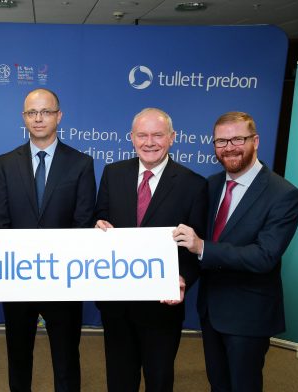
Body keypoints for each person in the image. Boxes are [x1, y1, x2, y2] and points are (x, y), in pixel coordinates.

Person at [173, 111, 298, 392]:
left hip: (249, 315)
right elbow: (191, 240)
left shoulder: (284, 194)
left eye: (237, 139)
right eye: (221, 141)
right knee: (218, 384)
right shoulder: (211, 185)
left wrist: (203, 247)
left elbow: (264, 256)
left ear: (255, 141)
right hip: (211, 310)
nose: (229, 147)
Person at [94, 108, 207, 392]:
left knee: (159, 381)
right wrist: (96, 227)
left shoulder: (193, 184)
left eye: (158, 135)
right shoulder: (113, 173)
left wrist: (183, 279)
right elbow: (98, 221)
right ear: (131, 138)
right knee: (119, 380)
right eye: (142, 135)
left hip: (161, 307)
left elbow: (197, 246)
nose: (149, 142)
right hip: (117, 302)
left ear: (172, 138)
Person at [0, 88, 96, 392]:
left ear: (59, 116)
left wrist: (58, 265)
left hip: (63, 281)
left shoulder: (81, 163)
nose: (38, 118)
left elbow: (83, 222)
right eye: (31, 113)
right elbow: (1, 221)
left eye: (46, 112)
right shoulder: (6, 162)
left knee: (66, 359)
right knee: (18, 357)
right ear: (23, 117)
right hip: (18, 279)